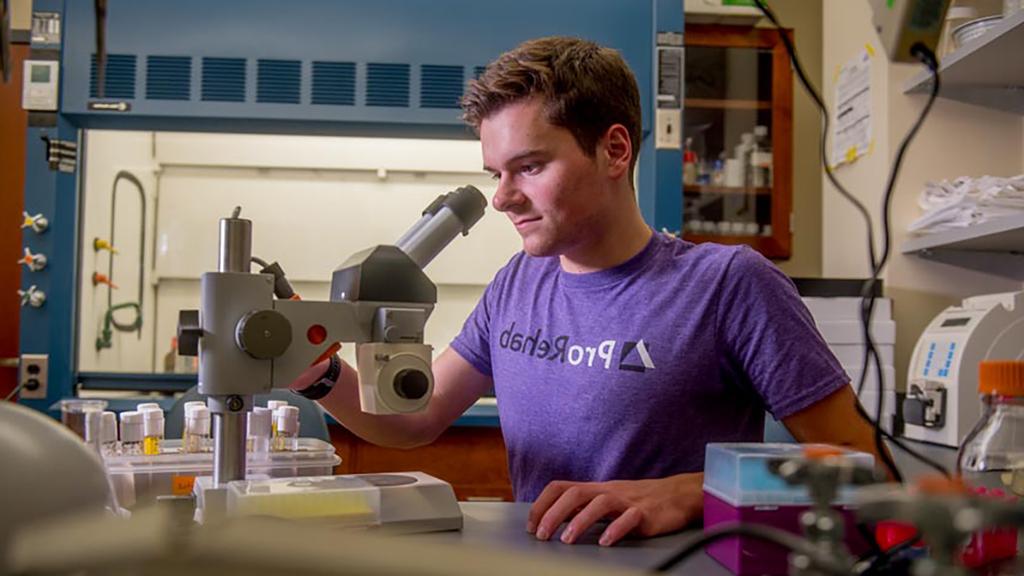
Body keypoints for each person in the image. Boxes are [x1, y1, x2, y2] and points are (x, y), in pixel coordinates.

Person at [292, 36, 890, 547]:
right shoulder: (518, 284)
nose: (501, 198)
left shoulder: (729, 284)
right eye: (495, 173)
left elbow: (867, 473)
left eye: (528, 167)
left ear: (614, 150)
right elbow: (415, 419)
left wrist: (693, 492)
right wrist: (312, 370)